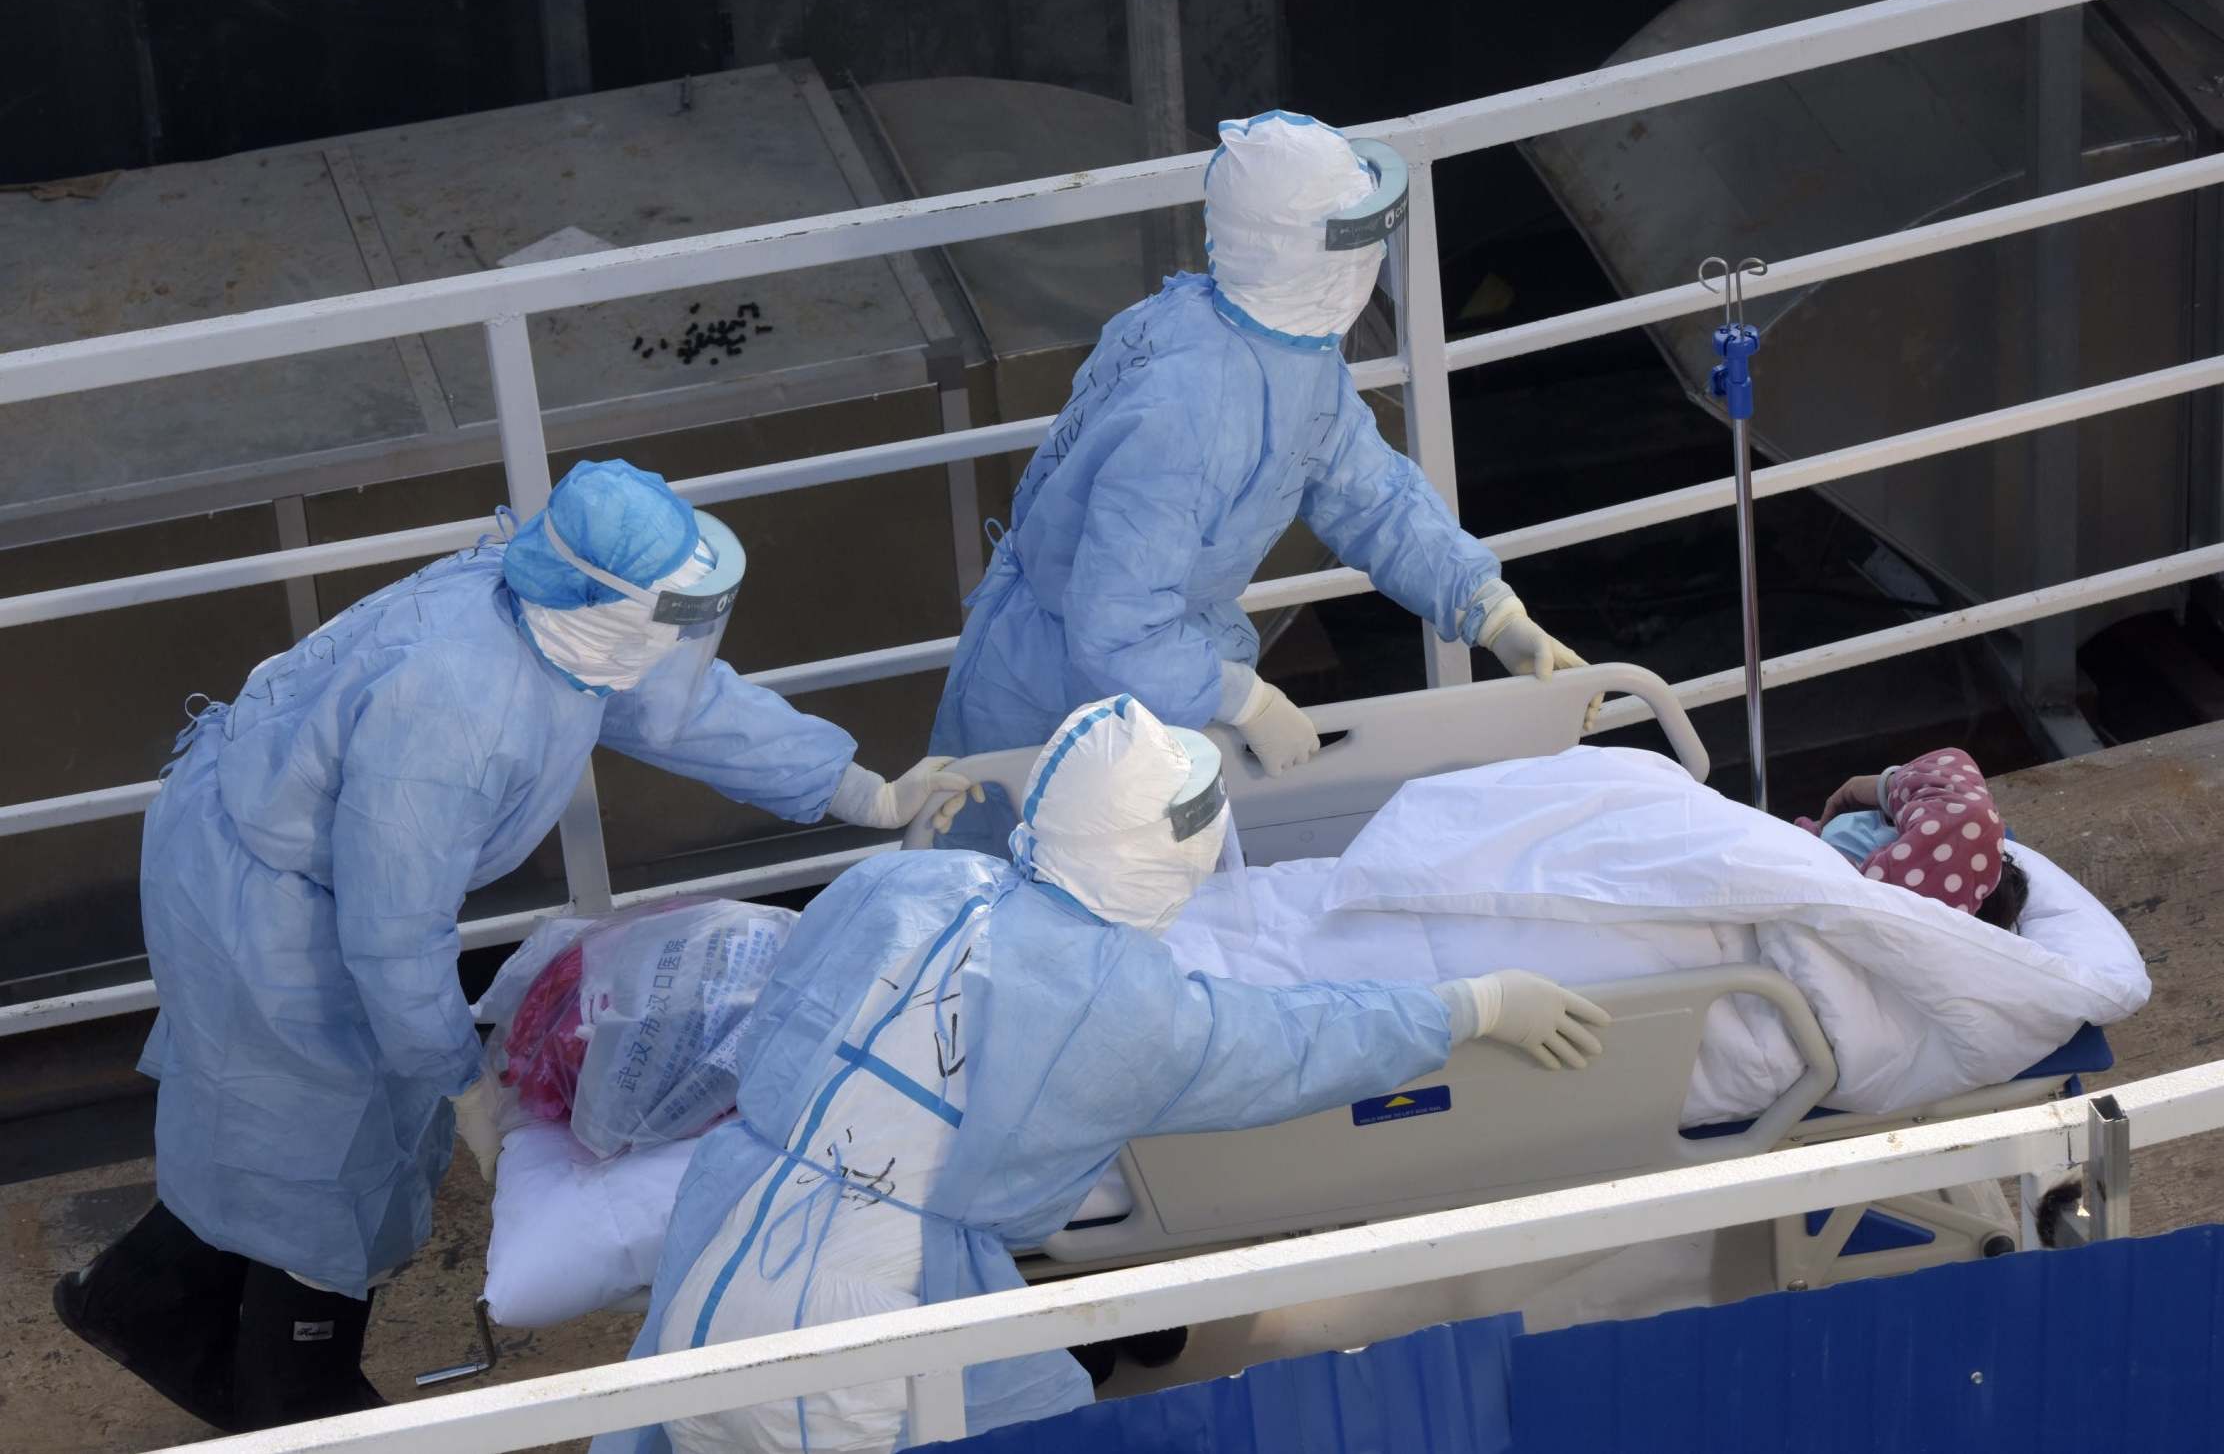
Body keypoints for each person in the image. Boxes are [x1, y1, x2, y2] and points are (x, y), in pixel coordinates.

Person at [54, 459, 979, 1433]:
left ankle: (136, 1299)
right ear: (605, 601)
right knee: (330, 1138)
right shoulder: (455, 708)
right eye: (672, 612)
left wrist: (861, 789)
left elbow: (680, 700)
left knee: (299, 1131)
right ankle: (296, 1400)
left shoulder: (566, 621)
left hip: (305, 870)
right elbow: (392, 931)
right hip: (271, 902)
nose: (682, 634)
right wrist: (462, 1082)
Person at [594, 695, 1607, 1454]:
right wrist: (1470, 1006)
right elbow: (1290, 1042)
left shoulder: (898, 881)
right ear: (1170, 848)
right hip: (876, 1302)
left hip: (716, 1233)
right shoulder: (1124, 1006)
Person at [931, 111, 1582, 850]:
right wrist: (1244, 699)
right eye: (1359, 236)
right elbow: (1113, 625)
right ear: (1313, 257)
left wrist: (1488, 609)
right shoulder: (1186, 410)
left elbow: (1370, 492)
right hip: (1050, 705)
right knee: (1016, 906)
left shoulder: (1277, 350)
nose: (1372, 257)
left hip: (1149, 683)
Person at [1799, 747, 2028, 929]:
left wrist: (1888, 785)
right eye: (1891, 821)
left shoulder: (1872, 906)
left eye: (1895, 850)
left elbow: (1971, 816)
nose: (1866, 819)